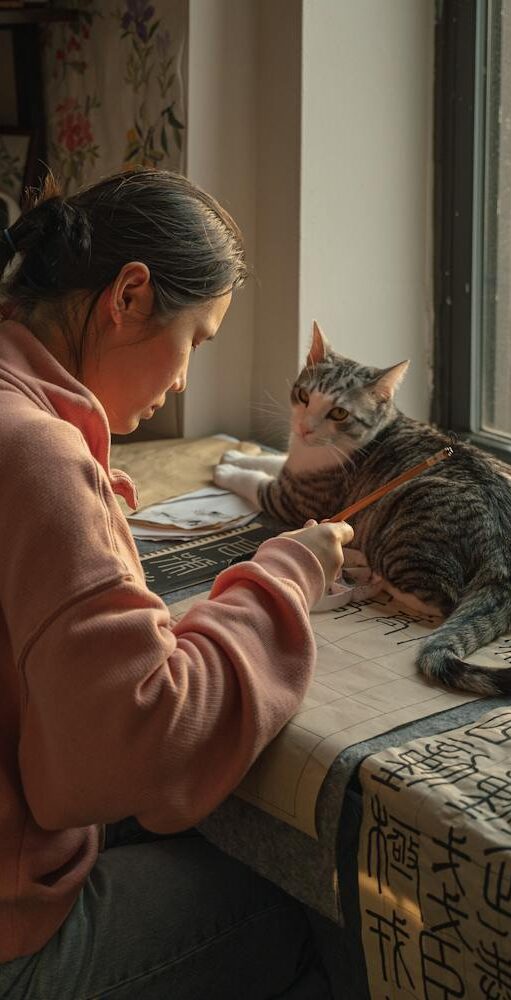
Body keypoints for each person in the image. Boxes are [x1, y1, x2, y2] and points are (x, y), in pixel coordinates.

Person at [0, 168, 352, 998]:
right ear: (127, 296)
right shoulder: (34, 453)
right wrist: (284, 576)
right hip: (14, 944)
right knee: (314, 896)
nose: (186, 380)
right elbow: (128, 751)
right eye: (195, 340)